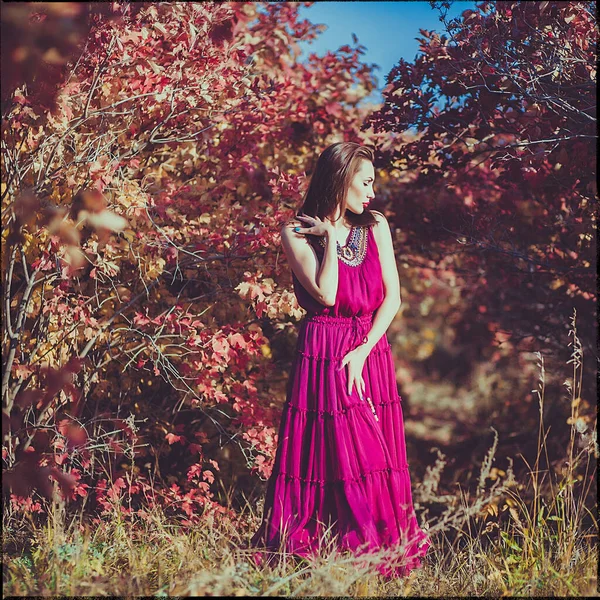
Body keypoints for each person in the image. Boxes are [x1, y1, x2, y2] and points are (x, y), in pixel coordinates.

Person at [249, 141, 430, 578]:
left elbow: (393, 298)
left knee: (373, 453)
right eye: (365, 182)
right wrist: (330, 240)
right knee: (332, 453)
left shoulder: (377, 226)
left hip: (367, 348)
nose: (371, 191)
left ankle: (374, 555)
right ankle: (335, 552)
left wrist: (363, 352)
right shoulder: (295, 233)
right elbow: (327, 294)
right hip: (323, 352)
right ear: (340, 179)